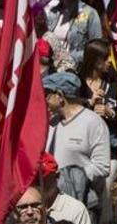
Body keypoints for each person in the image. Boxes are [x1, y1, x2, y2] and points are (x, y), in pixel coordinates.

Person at [44, 72, 111, 206]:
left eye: (47, 94)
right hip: (51, 202)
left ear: (60, 95)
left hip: (83, 203)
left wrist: (69, 177)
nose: (44, 99)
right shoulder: (51, 124)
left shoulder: (93, 122)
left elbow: (102, 167)